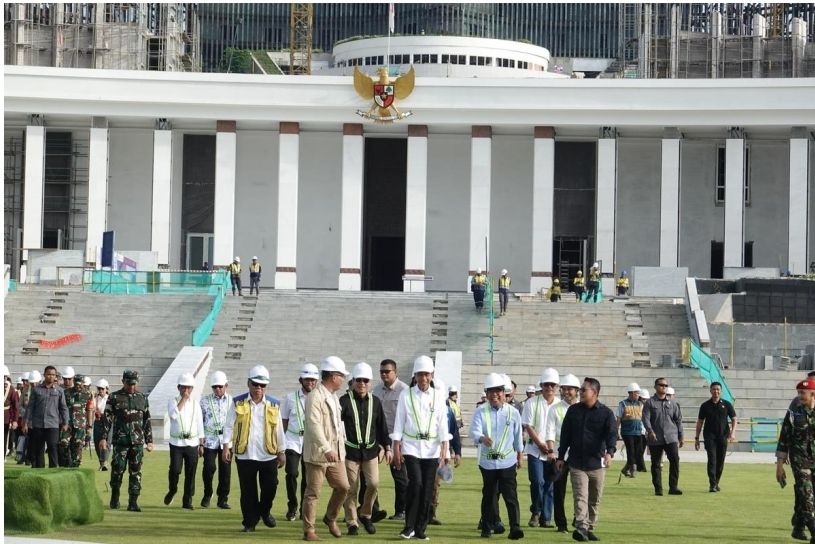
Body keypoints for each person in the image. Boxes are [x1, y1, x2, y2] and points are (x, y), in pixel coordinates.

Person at [391, 355, 452, 541]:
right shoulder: (405, 395)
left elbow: (443, 424)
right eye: (420, 375)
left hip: (432, 449)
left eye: (426, 374)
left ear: (431, 375)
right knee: (415, 484)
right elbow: (399, 422)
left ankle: (420, 529)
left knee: (427, 489)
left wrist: (446, 450)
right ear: (414, 376)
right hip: (411, 447)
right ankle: (408, 527)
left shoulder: (438, 396)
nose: (423, 379)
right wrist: (396, 448)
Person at [222, 365, 285, 532]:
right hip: (245, 454)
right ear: (248, 383)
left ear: (266, 386)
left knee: (270, 487)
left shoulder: (274, 404)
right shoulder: (238, 402)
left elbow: (278, 429)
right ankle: (250, 523)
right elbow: (228, 426)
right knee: (248, 492)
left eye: (262, 385)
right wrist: (225, 447)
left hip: (268, 454)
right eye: (255, 384)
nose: (258, 388)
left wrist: (282, 451)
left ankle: (264, 512)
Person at [555, 378, 617, 542]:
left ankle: (589, 528)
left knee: (594, 499)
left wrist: (610, 453)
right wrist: (561, 457)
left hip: (596, 463)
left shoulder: (606, 413)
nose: (580, 392)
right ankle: (581, 527)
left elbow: (611, 435)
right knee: (580, 496)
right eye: (581, 390)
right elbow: (565, 435)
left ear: (594, 393)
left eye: (584, 390)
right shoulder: (573, 411)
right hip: (576, 463)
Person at [302, 356, 351, 542]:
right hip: (318, 453)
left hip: (336, 452)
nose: (343, 379)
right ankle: (309, 530)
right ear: (333, 376)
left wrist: (339, 447)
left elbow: (338, 426)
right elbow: (314, 425)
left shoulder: (333, 396)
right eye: (341, 375)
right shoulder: (315, 396)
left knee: (344, 487)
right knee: (313, 492)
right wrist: (325, 448)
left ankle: (330, 517)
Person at [471, 373, 525, 540]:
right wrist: (482, 438)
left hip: (507, 461)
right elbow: (474, 430)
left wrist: (520, 454)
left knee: (510, 495)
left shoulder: (513, 412)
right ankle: (486, 527)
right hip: (488, 463)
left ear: (504, 393)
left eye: (498, 391)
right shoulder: (481, 411)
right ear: (486, 394)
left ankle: (515, 527)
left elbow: (518, 436)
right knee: (489, 496)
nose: (495, 395)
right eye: (491, 392)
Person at [340, 362, 391, 536]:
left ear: (370, 382)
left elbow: (381, 426)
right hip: (350, 452)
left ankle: (366, 514)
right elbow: (337, 427)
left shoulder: (375, 402)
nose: (362, 383)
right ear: (353, 381)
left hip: (370, 452)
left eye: (365, 380)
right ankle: (352, 522)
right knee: (351, 489)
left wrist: (388, 447)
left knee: (374, 484)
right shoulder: (344, 401)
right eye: (359, 380)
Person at [100, 370, 154, 512]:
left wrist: (149, 440)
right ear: (123, 381)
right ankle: (115, 496)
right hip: (120, 442)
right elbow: (107, 419)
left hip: (137, 442)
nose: (131, 387)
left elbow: (147, 420)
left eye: (134, 384)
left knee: (136, 472)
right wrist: (103, 438)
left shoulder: (142, 398)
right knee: (117, 470)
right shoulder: (114, 397)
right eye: (129, 383)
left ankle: (133, 502)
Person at [776, 377, 815, 542]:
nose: (800, 396)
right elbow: (784, 437)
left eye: (803, 393)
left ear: (813, 394)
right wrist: (779, 465)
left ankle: (798, 526)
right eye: (799, 392)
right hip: (799, 458)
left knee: (804, 495)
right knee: (806, 493)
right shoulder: (794, 411)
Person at [372, 358, 409, 521]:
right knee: (370, 477)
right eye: (381, 371)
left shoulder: (404, 391)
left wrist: (399, 444)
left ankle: (401, 511)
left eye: (387, 371)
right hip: (378, 439)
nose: (384, 374)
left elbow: (408, 419)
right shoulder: (376, 390)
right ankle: (372, 510)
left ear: (396, 372)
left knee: (400, 477)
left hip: (397, 440)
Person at [522, 367, 559, 528]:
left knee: (549, 485)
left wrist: (551, 449)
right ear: (542, 385)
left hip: (554, 452)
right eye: (546, 385)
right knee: (537, 481)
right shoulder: (532, 403)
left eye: (552, 385)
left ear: (557, 387)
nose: (549, 388)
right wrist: (540, 444)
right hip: (534, 450)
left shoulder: (560, 405)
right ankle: (536, 512)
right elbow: (528, 426)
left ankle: (546, 517)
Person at [544, 373, 581, 533]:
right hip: (560, 457)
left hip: (580, 457)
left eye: (570, 389)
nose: (566, 392)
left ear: (577, 390)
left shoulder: (582, 408)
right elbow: (550, 431)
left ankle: (578, 518)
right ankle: (561, 524)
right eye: (564, 389)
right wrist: (551, 451)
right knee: (559, 491)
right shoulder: (555, 409)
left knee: (580, 491)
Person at [282, 364, 319, 521]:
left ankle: (305, 509)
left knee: (307, 477)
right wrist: (282, 443)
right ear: (301, 380)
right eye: (307, 379)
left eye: (313, 380)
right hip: (292, 440)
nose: (310, 382)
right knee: (291, 473)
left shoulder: (319, 398)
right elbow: (284, 421)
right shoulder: (290, 398)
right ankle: (292, 506)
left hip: (310, 442)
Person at [164, 373, 205, 510]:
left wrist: (201, 443)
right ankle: (172, 489)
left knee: (191, 473)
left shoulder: (195, 404)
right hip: (176, 443)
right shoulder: (173, 401)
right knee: (175, 469)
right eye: (184, 388)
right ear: (178, 388)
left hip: (192, 443)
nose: (186, 391)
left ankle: (187, 500)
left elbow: (200, 424)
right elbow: (173, 416)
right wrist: (183, 400)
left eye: (189, 388)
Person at [641, 377, 683, 496]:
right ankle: (658, 488)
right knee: (656, 463)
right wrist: (650, 431)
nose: (663, 387)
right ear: (655, 387)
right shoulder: (650, 403)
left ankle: (673, 487)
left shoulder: (672, 403)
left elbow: (678, 420)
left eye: (665, 385)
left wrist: (681, 436)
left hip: (671, 437)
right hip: (655, 438)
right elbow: (645, 418)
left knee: (675, 460)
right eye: (661, 385)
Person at [23, 365, 68, 469]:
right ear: (44, 375)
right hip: (38, 424)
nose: (51, 377)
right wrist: (25, 423)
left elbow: (63, 408)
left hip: (53, 424)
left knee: (53, 447)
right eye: (48, 374)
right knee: (38, 449)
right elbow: (30, 407)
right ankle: (39, 471)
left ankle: (53, 470)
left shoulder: (60, 391)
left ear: (56, 376)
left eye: (53, 375)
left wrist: (65, 422)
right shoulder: (36, 390)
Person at [695, 382, 737, 492]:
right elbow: (700, 422)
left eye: (718, 389)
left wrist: (733, 433)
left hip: (723, 437)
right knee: (712, 460)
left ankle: (716, 482)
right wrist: (696, 438)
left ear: (721, 391)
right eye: (714, 389)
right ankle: (712, 484)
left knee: (720, 461)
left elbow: (734, 419)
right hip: (710, 437)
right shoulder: (705, 405)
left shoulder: (727, 404)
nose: (716, 391)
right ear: (710, 390)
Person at [200, 371, 233, 509]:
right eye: (215, 387)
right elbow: (199, 422)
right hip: (210, 440)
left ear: (226, 385)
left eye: (220, 386)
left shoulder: (233, 401)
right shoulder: (204, 401)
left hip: (226, 441)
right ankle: (208, 493)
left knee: (225, 471)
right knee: (208, 468)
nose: (217, 389)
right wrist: (200, 442)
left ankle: (222, 499)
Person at [62, 371, 94, 467]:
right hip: (68, 423)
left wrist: (89, 426)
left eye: (80, 384)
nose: (78, 386)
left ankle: (76, 464)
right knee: (64, 443)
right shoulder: (66, 392)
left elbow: (89, 410)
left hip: (81, 424)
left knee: (78, 444)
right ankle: (66, 462)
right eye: (76, 384)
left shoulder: (88, 394)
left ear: (83, 384)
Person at [616, 383, 646, 478]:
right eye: (637, 393)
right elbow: (618, 419)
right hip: (627, 432)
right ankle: (633, 469)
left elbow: (643, 419)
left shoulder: (640, 404)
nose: (638, 395)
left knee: (639, 452)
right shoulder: (623, 404)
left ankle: (625, 469)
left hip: (638, 431)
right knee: (631, 452)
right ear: (632, 393)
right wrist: (616, 431)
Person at [93, 378, 111, 471]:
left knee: (105, 443)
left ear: (106, 389)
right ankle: (101, 462)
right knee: (97, 444)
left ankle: (105, 462)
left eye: (102, 389)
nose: (100, 391)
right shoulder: (95, 398)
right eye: (99, 389)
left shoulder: (110, 399)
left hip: (108, 422)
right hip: (97, 422)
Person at [4, 366, 20, 457]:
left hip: (5, 418)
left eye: (4, 377)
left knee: (4, 438)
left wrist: (14, 420)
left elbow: (15, 406)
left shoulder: (11, 389)